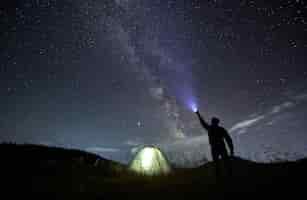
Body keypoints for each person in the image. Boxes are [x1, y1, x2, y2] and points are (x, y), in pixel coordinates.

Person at [195, 110, 234, 176]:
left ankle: (222, 176)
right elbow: (228, 140)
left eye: (214, 122)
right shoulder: (220, 129)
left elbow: (203, 123)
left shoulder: (211, 128)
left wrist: (198, 114)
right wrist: (231, 149)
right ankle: (226, 175)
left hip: (216, 148)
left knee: (219, 164)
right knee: (223, 163)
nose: (214, 123)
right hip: (219, 148)